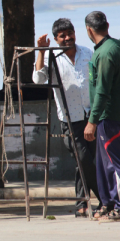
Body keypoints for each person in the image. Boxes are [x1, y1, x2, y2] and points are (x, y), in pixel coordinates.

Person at [33, 18, 101, 217]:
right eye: (62, 36)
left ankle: (82, 204)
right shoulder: (51, 57)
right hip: (69, 120)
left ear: (75, 33)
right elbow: (37, 79)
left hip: (91, 117)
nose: (67, 38)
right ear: (56, 39)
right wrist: (41, 51)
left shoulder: (88, 53)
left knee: (86, 161)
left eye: (69, 33)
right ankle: (107, 199)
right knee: (83, 159)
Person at [84, 11, 120, 219]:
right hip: (107, 116)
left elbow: (103, 91)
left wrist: (92, 121)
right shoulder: (112, 47)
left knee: (114, 163)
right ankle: (108, 204)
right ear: (107, 24)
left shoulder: (106, 53)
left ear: (89, 30)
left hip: (109, 116)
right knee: (104, 163)